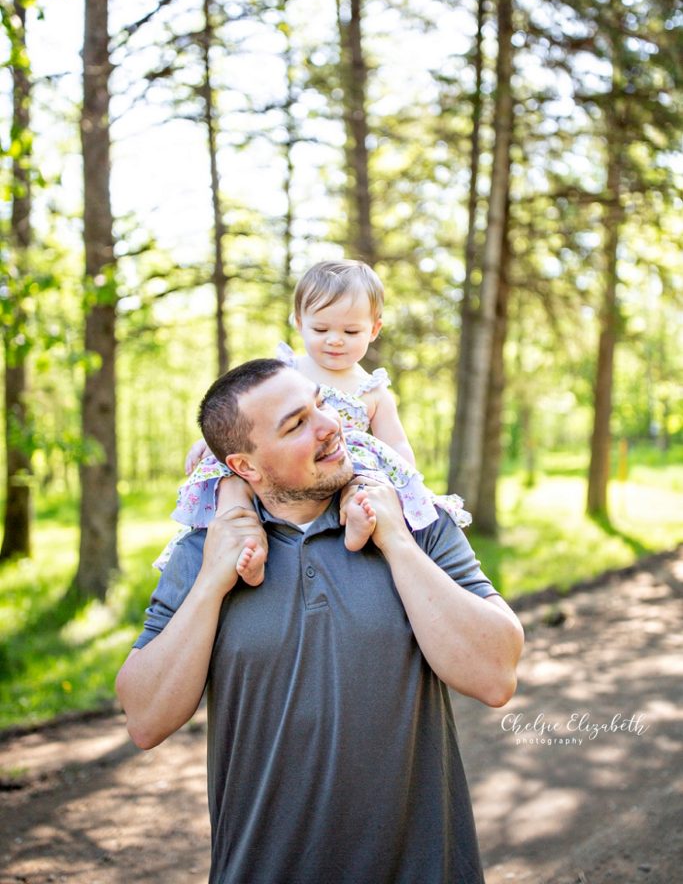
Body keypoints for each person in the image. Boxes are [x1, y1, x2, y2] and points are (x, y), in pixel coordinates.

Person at [116, 358, 524, 884]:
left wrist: (396, 542)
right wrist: (212, 581)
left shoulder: (417, 521)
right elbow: (145, 719)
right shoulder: (203, 550)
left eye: (321, 403)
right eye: (296, 424)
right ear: (245, 468)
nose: (331, 424)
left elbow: (495, 676)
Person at [155, 259, 472, 585]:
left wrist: (403, 478)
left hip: (346, 462)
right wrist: (211, 441)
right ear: (299, 322)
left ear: (374, 329)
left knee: (362, 486)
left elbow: (397, 442)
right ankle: (244, 540)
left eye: (351, 331)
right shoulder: (285, 369)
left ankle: (357, 522)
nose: (335, 340)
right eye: (321, 329)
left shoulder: (372, 389)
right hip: (283, 460)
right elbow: (243, 415)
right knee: (232, 483)